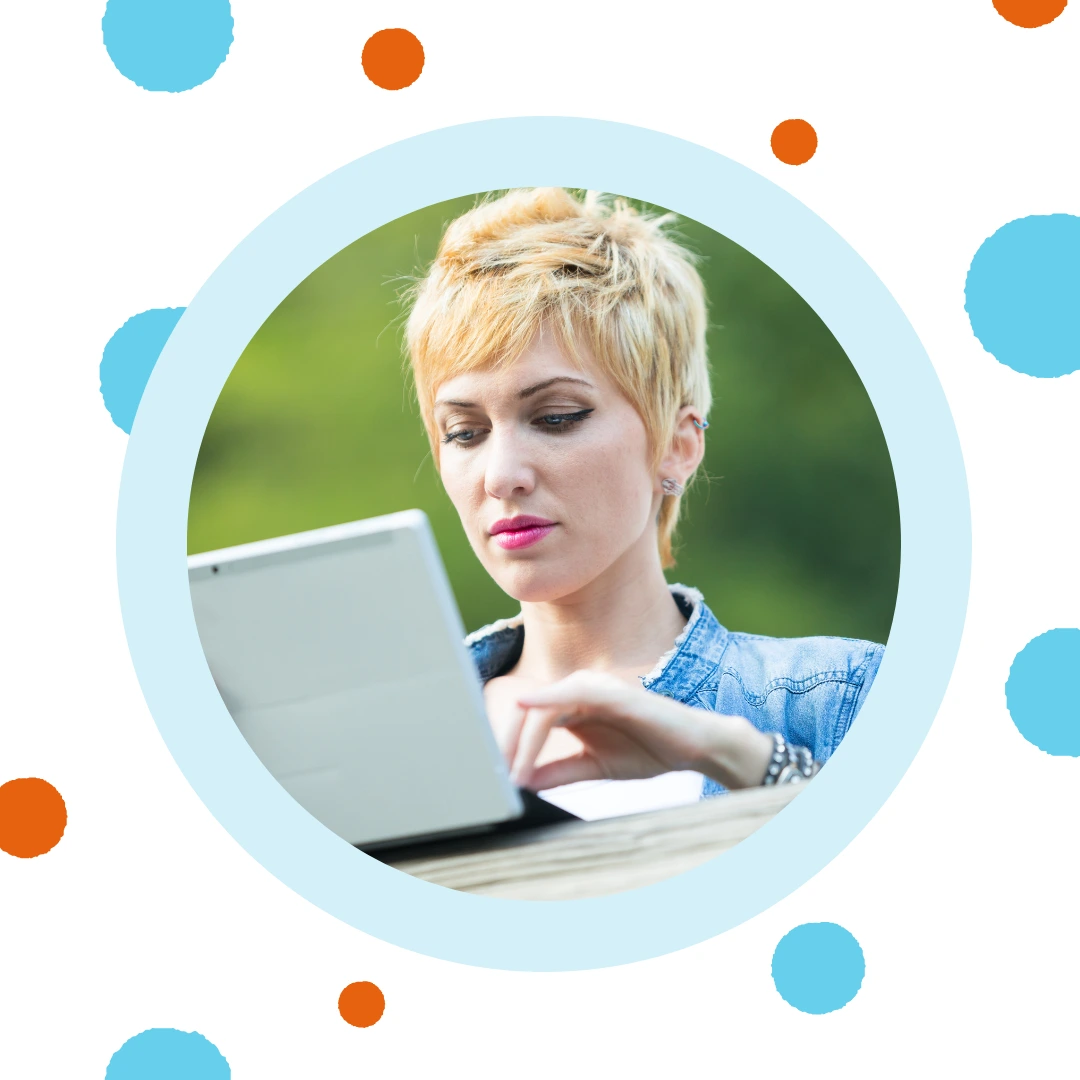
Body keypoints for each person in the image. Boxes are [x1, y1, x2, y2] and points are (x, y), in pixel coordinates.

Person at [404, 188, 884, 800]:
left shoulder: (841, 699)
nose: (500, 476)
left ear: (677, 446)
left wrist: (749, 764)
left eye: (556, 417)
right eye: (464, 432)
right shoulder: (388, 742)